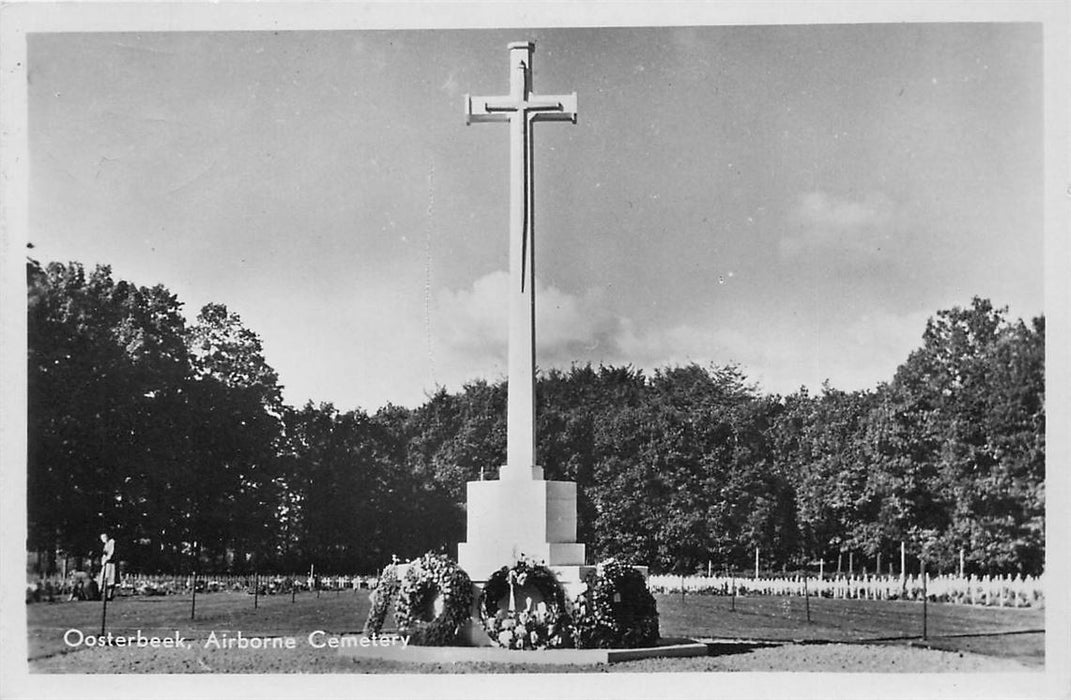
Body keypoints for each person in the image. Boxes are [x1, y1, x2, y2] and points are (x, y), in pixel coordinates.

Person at [97, 533, 116, 600]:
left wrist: (107, 557)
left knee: (110, 579)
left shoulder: (111, 542)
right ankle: (103, 594)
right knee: (103, 579)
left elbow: (111, 553)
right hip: (106, 564)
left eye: (104, 538)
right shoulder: (106, 544)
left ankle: (109, 595)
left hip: (110, 564)